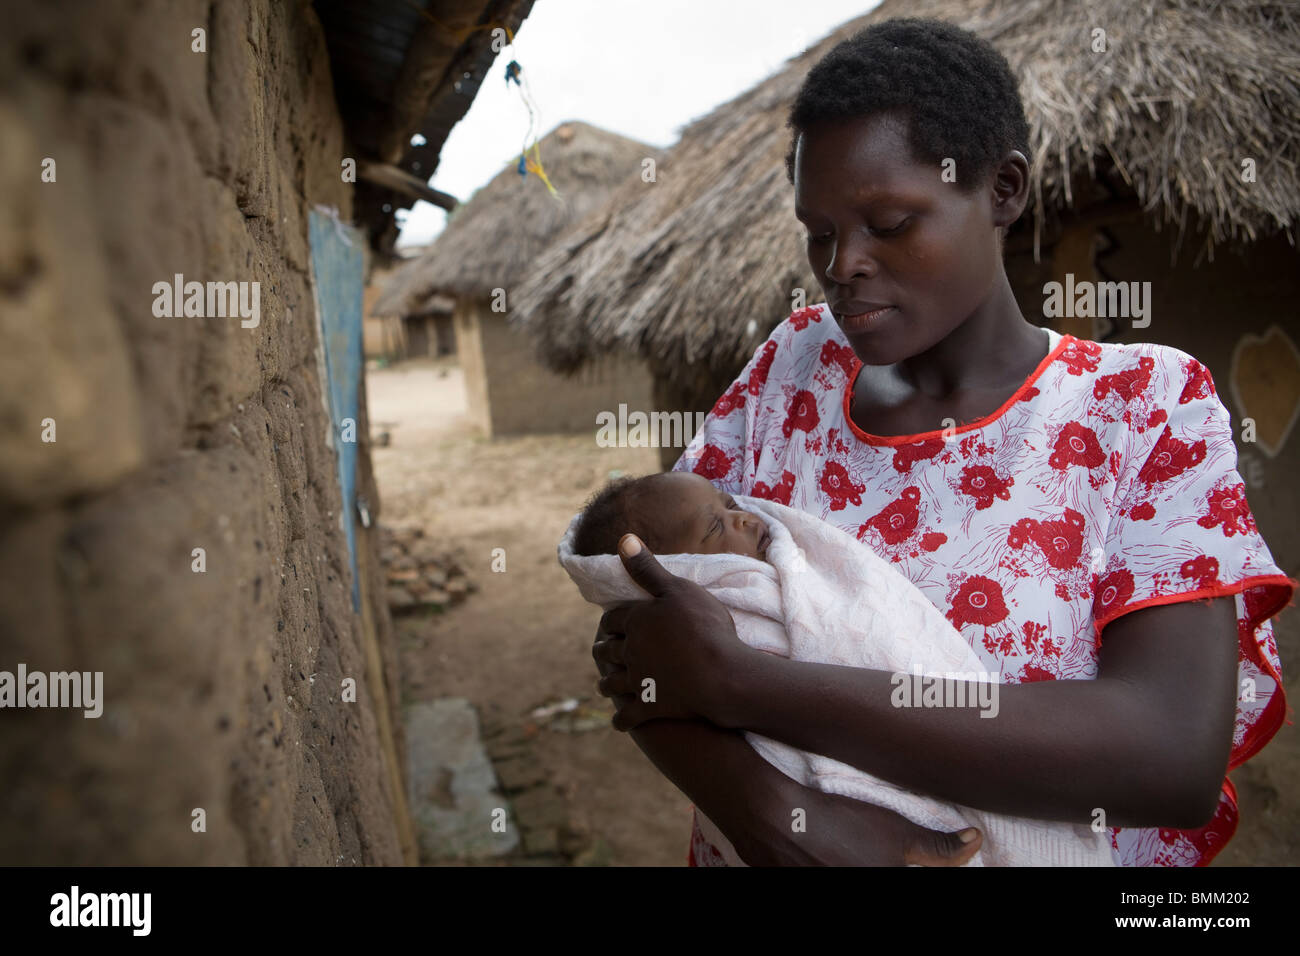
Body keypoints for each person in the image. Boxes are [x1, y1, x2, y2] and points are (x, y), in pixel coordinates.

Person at [590, 17, 1297, 866]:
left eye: (888, 222)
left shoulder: (1143, 405)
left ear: (1002, 189)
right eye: (819, 232)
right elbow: (640, 626)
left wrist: (748, 684)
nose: (841, 262)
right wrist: (775, 820)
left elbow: (1167, 753)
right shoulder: (792, 369)